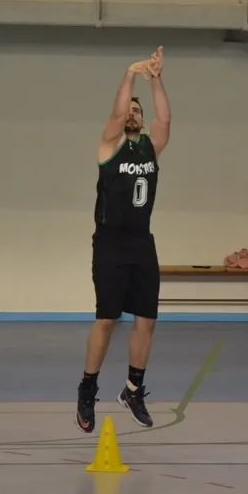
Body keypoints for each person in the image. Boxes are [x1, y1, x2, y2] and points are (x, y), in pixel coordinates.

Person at [75, 46, 170, 434]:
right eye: (129, 109)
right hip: (110, 243)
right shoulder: (109, 145)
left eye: (137, 111)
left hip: (142, 243)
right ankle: (87, 389)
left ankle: (133, 390)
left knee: (147, 320)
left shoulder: (151, 147)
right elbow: (116, 115)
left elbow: (165, 118)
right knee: (107, 320)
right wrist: (131, 74)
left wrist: (156, 79)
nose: (132, 114)